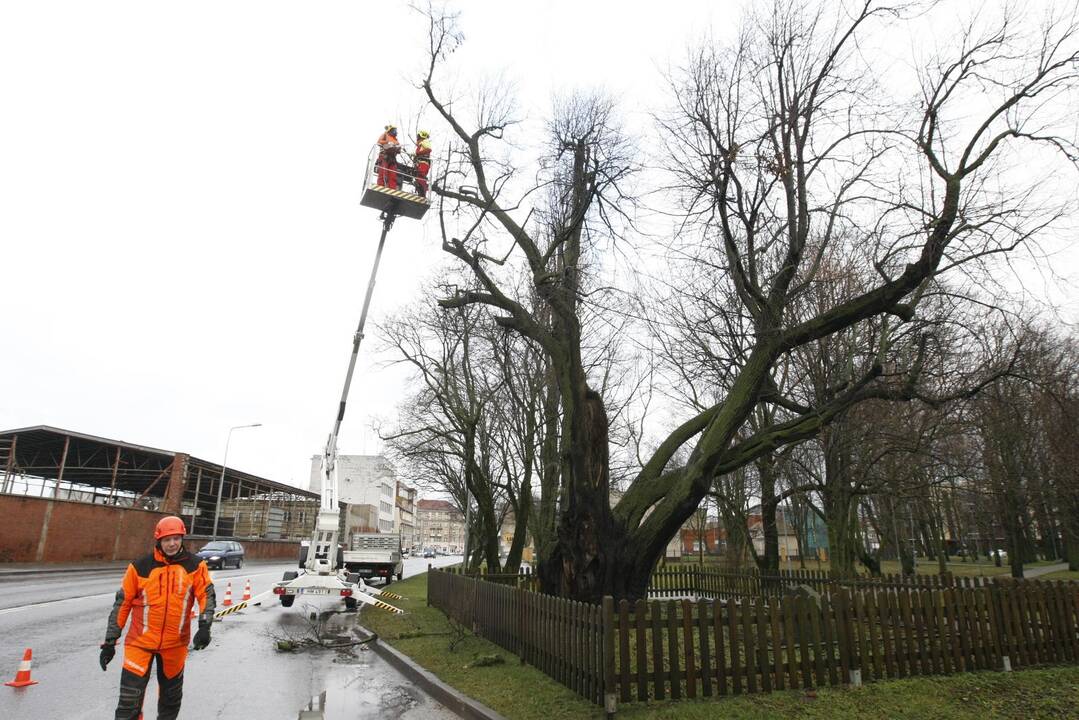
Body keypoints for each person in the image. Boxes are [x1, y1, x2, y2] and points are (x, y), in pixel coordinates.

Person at [99, 516, 215, 720]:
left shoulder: (196, 566)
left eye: (176, 539)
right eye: (167, 540)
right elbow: (122, 603)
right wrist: (110, 641)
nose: (171, 544)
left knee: (170, 701)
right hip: (139, 643)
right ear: (158, 541)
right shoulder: (140, 566)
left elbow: (206, 595)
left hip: (175, 645)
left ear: (182, 538)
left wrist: (205, 626)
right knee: (128, 702)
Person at [376, 124, 401, 189]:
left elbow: (399, 150)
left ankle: (392, 188)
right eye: (394, 130)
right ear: (390, 130)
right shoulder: (385, 135)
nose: (395, 132)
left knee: (393, 174)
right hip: (384, 156)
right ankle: (380, 186)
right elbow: (379, 142)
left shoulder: (396, 139)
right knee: (383, 172)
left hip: (392, 158)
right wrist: (387, 142)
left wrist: (398, 147)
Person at [413, 130, 432, 197]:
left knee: (421, 176)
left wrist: (417, 153)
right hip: (420, 163)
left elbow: (428, 149)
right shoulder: (421, 144)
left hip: (423, 162)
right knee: (419, 177)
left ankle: (422, 193)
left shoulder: (425, 142)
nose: (417, 139)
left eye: (418, 137)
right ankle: (421, 192)